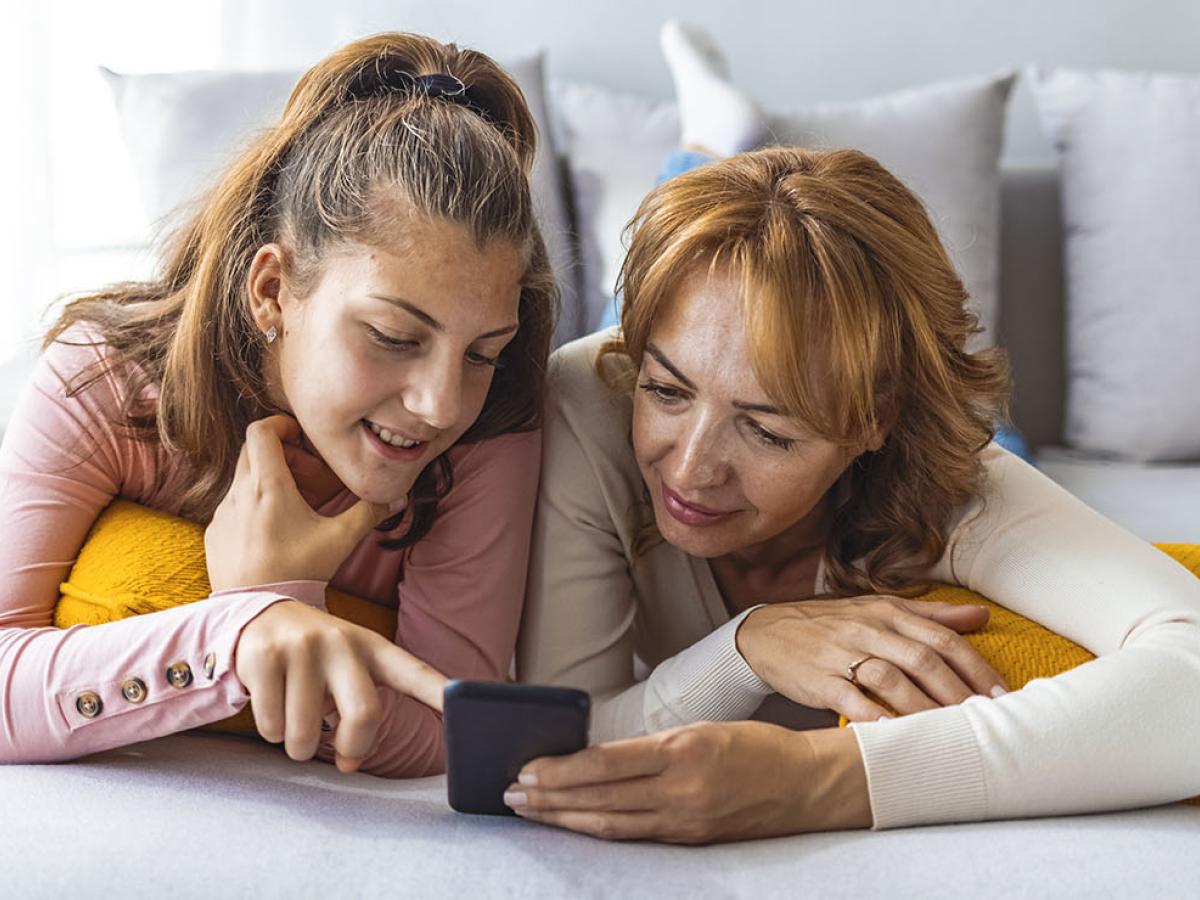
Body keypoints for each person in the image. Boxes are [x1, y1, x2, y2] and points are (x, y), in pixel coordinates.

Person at [511, 23, 1200, 842]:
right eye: (667, 392)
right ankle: (708, 140)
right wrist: (745, 647)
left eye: (767, 434)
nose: (690, 471)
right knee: (675, 314)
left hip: (907, 464)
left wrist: (823, 782)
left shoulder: (947, 477)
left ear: (876, 419)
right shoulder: (591, 399)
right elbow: (561, 734)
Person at [0, 32, 556, 777]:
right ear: (272, 291)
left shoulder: (492, 425)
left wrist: (271, 601)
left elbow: (454, 719)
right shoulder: (104, 377)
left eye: (481, 352)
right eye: (393, 336)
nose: (438, 403)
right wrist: (238, 632)